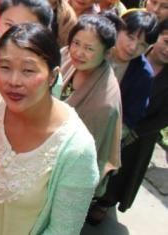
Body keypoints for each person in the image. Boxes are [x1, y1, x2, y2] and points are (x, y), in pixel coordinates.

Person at [0, 23, 99, 234]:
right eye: (5, 67)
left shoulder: (77, 150)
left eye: (28, 70)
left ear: (53, 76)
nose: (14, 81)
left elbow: (62, 230)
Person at [99, 20, 168, 213]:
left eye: (141, 43)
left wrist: (134, 131)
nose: (133, 46)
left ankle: (105, 203)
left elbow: (164, 117)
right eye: (166, 41)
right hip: (108, 119)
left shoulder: (144, 71)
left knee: (123, 173)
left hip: (140, 133)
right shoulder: (127, 54)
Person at [60, 14, 123, 208]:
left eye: (89, 48)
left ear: (107, 53)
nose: (78, 52)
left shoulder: (104, 104)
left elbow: (86, 155)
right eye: (76, 43)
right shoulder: (66, 55)